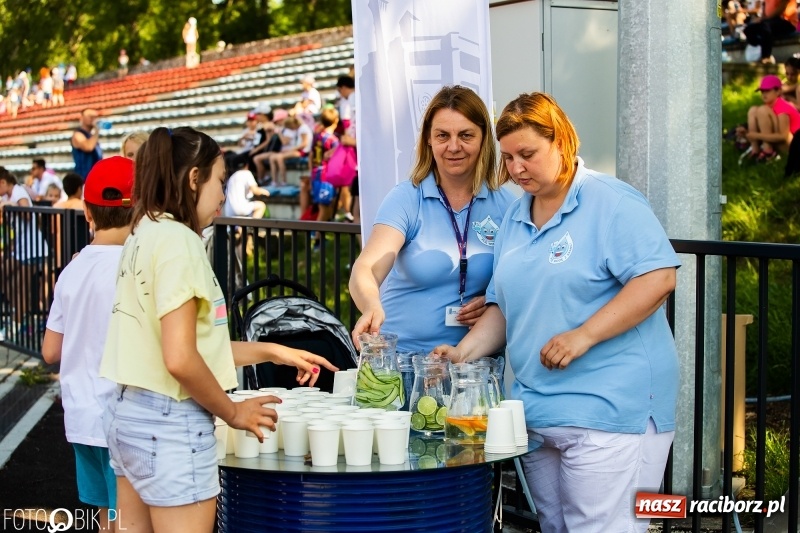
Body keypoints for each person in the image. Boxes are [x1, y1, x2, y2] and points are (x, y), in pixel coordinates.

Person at [434, 92, 680, 533]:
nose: (516, 168)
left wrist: (583, 335)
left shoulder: (611, 201)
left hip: (609, 407)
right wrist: (462, 354)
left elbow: (658, 279)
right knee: (555, 527)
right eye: (508, 158)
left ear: (562, 142)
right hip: (537, 410)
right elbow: (503, 307)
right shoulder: (515, 216)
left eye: (527, 154)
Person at [99, 126, 337, 532]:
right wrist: (233, 412)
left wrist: (272, 351)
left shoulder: (144, 231)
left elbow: (186, 346)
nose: (223, 196)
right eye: (219, 182)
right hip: (170, 425)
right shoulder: (179, 241)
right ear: (194, 179)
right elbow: (180, 358)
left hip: (129, 415)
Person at [348, 85, 516, 353]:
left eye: (466, 135)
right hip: (402, 360)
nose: (454, 147)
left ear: (484, 138)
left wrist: (495, 301)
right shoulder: (406, 198)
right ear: (428, 139)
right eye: (442, 135)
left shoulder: (507, 206)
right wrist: (370, 305)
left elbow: (521, 283)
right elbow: (366, 268)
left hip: (474, 366)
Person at [42, 156, 137, 533]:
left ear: (86, 211)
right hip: (126, 419)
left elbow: (50, 351)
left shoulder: (72, 269)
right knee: (130, 520)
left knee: (106, 516)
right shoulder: (138, 268)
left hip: (81, 416)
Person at [737, 74, 800, 161]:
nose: (764, 94)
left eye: (767, 91)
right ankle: (755, 149)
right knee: (753, 109)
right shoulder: (770, 106)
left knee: (762, 110)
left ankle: (768, 152)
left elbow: (783, 136)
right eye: (762, 91)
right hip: (785, 141)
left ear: (778, 91)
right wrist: (747, 133)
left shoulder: (783, 107)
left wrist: (756, 136)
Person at [300, 107, 340, 222]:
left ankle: (315, 231)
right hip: (326, 177)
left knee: (322, 206)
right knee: (324, 208)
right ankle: (316, 233)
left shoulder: (317, 136)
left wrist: (311, 172)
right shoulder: (333, 140)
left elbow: (311, 155)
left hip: (316, 174)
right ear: (336, 120)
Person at [743, 0, 797, 64]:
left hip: (786, 22)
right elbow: (764, 9)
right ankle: (759, 48)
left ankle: (766, 57)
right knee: (748, 29)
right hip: (770, 21)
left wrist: (765, 19)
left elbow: (781, 8)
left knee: (765, 27)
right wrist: (760, 19)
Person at [267, 116, 312, 186]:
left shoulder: (303, 128)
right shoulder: (300, 128)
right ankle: (274, 181)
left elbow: (304, 143)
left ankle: (284, 181)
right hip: (299, 150)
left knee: (279, 157)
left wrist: (292, 149)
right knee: (272, 157)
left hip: (304, 152)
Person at [72, 108, 103, 179]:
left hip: (95, 176)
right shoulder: (78, 134)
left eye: (95, 117)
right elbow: (88, 147)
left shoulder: (91, 137)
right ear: (82, 118)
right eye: (90, 116)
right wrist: (97, 130)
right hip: (83, 177)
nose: (93, 119)